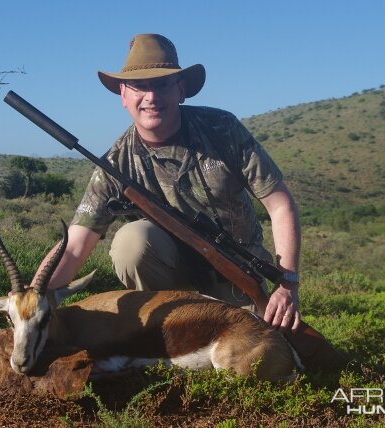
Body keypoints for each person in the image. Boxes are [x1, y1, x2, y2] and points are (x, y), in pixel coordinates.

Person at [31, 33, 302, 333]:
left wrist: (287, 283)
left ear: (181, 89)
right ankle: (168, 331)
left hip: (238, 279)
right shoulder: (115, 164)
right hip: (172, 288)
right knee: (129, 243)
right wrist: (32, 297)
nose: (151, 97)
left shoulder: (222, 130)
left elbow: (280, 206)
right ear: (123, 94)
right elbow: (74, 247)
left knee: (270, 349)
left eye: (161, 84)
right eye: (139, 86)